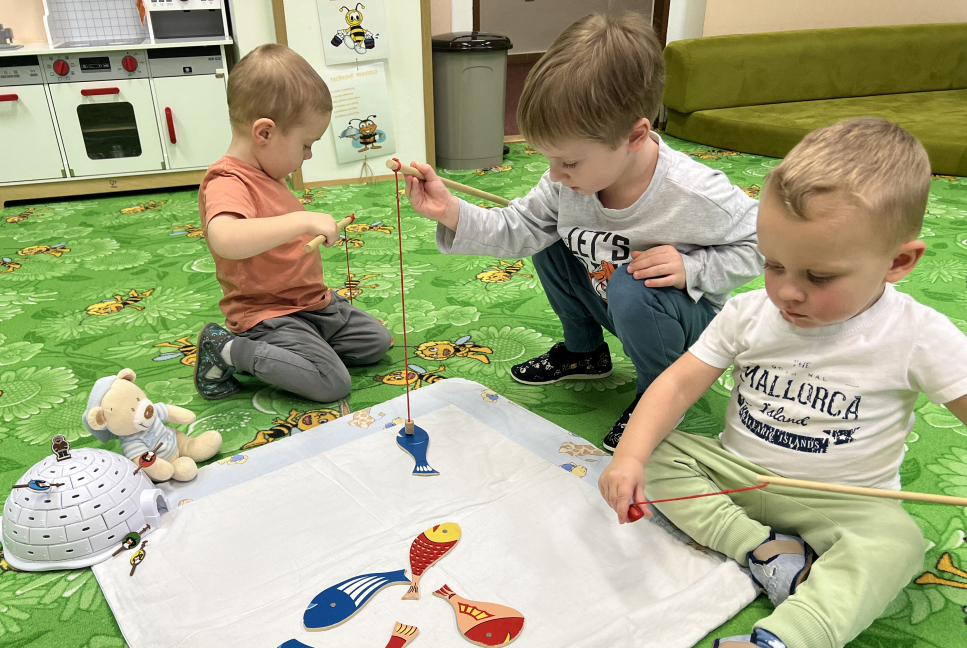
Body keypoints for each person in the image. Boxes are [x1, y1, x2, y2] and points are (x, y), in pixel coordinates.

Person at [598, 118, 967, 648]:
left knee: (900, 544)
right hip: (739, 477)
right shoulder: (751, 312)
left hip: (847, 501)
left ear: (899, 262)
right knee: (651, 452)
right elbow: (678, 385)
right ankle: (763, 552)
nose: (788, 292)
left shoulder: (919, 335)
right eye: (773, 264)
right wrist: (631, 456)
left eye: (819, 277)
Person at [402, 13, 763, 450]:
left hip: (682, 320)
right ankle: (585, 352)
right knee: (550, 239)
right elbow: (519, 228)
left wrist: (694, 267)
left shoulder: (695, 192)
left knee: (632, 283)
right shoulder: (567, 185)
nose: (555, 175)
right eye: (548, 159)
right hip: (612, 297)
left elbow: (766, 244)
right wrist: (451, 212)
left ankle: (661, 393)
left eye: (569, 162)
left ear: (635, 136)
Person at [194, 44, 392, 403]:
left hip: (311, 305)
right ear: (264, 133)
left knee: (376, 343)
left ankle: (301, 349)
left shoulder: (269, 171)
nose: (309, 155)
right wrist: (300, 219)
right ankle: (228, 349)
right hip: (267, 314)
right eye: (305, 145)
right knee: (332, 383)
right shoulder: (227, 180)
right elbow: (225, 238)